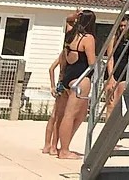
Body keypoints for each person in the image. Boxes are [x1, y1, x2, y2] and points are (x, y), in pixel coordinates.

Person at [54, 10, 97, 160]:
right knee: (71, 115)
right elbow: (91, 63)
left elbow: (67, 20)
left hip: (68, 77)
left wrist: (74, 15)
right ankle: (64, 150)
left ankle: (64, 146)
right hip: (81, 79)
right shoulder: (88, 38)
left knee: (80, 114)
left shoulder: (70, 34)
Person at [44, 10, 80, 154]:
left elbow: (51, 69)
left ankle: (47, 145)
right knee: (59, 117)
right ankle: (53, 146)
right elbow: (52, 68)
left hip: (60, 83)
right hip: (63, 83)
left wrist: (53, 85)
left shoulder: (64, 52)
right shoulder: (67, 52)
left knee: (54, 116)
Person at [104, 17, 129, 120]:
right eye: (121, 26)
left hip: (125, 73)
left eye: (125, 26)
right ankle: (107, 132)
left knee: (119, 105)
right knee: (110, 105)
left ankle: (115, 131)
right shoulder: (113, 38)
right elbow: (110, 58)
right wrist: (110, 78)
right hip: (113, 71)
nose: (123, 28)